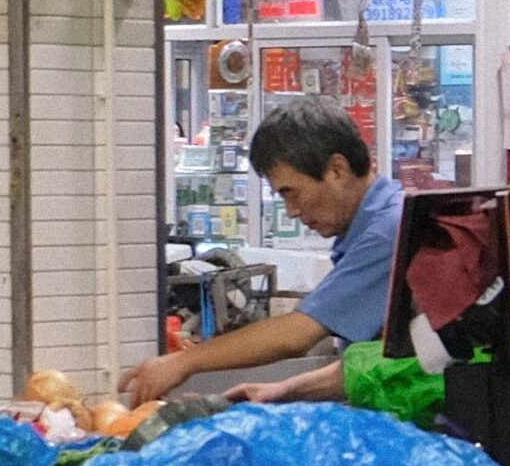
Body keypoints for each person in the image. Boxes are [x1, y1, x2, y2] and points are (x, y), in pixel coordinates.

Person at [120, 97, 403, 406]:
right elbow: (382, 366)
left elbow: (295, 335)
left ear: (337, 169)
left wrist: (182, 362)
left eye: (291, 193)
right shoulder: (372, 227)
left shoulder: (389, 233)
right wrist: (283, 390)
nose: (292, 211)